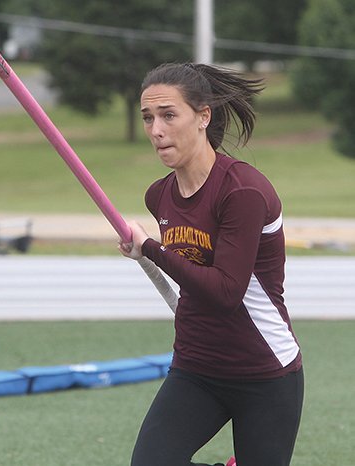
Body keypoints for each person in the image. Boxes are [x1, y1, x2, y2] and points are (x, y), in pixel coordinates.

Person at [118, 63, 304, 466]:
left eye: (169, 115)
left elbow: (225, 292)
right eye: (148, 117)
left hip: (264, 370)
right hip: (196, 367)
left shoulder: (243, 191)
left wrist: (150, 247)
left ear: (203, 117)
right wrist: (146, 249)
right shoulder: (159, 196)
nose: (155, 130)